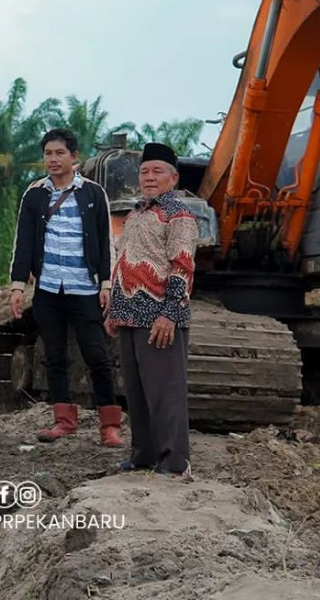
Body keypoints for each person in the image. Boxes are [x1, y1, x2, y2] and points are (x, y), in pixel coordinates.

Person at [8, 128, 123, 447]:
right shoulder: (34, 194)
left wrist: (106, 283)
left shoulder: (92, 193)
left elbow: (104, 242)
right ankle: (64, 422)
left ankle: (109, 426)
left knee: (96, 357)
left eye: (59, 153)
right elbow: (24, 242)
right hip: (47, 290)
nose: (53, 159)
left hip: (84, 289)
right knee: (54, 356)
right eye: (48, 154)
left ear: (74, 157)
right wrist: (18, 286)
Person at [103, 142, 200, 476]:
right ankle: (143, 455)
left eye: (157, 171)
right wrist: (114, 309)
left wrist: (169, 313)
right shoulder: (135, 214)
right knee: (138, 392)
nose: (149, 177)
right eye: (144, 171)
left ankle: (174, 462)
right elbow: (122, 263)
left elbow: (182, 266)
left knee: (165, 392)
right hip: (130, 313)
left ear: (173, 178)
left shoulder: (179, 216)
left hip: (161, 316)